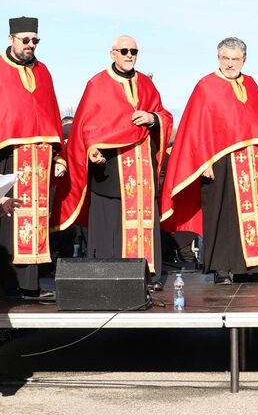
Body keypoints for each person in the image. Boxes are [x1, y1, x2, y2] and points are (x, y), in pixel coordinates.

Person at [54, 35, 172, 287]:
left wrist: (152, 119)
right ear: (113, 53)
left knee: (144, 221)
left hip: (142, 171)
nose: (129, 55)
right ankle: (110, 276)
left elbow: (164, 115)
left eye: (134, 52)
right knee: (112, 224)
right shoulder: (97, 84)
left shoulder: (146, 84)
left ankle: (147, 274)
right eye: (124, 51)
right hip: (111, 171)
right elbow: (85, 127)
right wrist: (91, 149)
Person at [160, 37, 258, 285]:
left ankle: (248, 269)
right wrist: (202, 161)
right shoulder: (206, 86)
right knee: (221, 214)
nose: (230, 64)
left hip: (250, 161)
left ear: (244, 60)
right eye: (226, 58)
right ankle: (221, 269)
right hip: (218, 162)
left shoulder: (251, 84)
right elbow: (194, 127)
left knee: (250, 215)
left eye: (235, 59)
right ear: (218, 58)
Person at [0, 16, 66, 297]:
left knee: (36, 220)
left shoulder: (43, 71)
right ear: (11, 39)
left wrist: (59, 156)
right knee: (8, 219)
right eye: (25, 40)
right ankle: (7, 287)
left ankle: (30, 286)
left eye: (35, 41)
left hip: (40, 160)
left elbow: (51, 113)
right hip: (8, 157)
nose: (30, 45)